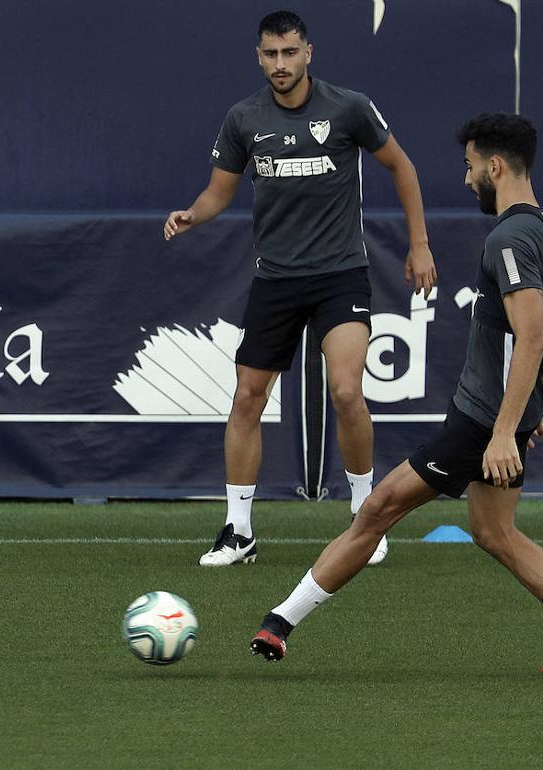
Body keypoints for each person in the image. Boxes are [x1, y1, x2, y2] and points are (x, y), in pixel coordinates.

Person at [249, 113, 543, 675]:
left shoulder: (511, 236)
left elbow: (534, 333)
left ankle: (278, 624)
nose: (467, 179)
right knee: (495, 532)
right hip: (498, 416)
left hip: (480, 424)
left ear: (495, 167)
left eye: (471, 167)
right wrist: (532, 400)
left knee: (377, 508)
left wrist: (502, 430)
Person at [163, 11, 437, 567]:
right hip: (276, 279)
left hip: (341, 274)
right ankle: (238, 531)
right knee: (246, 397)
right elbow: (220, 191)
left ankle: (368, 516)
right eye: (270, 54)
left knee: (345, 391)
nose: (280, 64)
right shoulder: (243, 119)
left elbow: (402, 168)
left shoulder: (349, 108)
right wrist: (195, 214)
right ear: (258, 56)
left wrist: (420, 245)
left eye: (289, 53)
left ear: (308, 52)